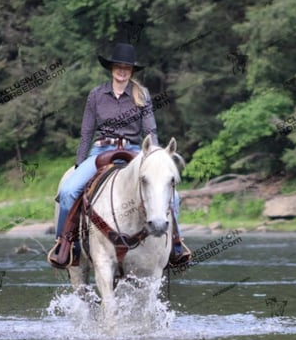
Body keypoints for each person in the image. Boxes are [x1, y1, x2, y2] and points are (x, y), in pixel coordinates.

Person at [47, 43, 191, 269]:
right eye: (118, 67)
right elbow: (86, 132)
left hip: (134, 151)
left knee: (174, 197)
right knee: (67, 191)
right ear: (112, 68)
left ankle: (175, 244)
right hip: (101, 151)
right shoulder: (96, 95)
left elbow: (150, 132)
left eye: (127, 68)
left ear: (131, 71)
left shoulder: (141, 95)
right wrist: (79, 164)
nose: (122, 71)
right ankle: (66, 244)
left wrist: (153, 158)